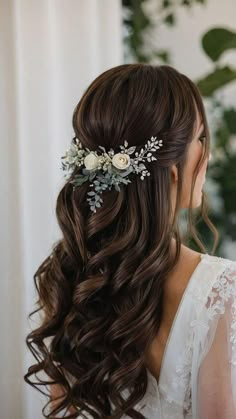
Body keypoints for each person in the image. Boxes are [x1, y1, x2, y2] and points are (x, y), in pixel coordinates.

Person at [24, 63, 236, 418]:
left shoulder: (69, 273)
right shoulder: (220, 291)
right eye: (201, 138)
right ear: (171, 169)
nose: (209, 154)